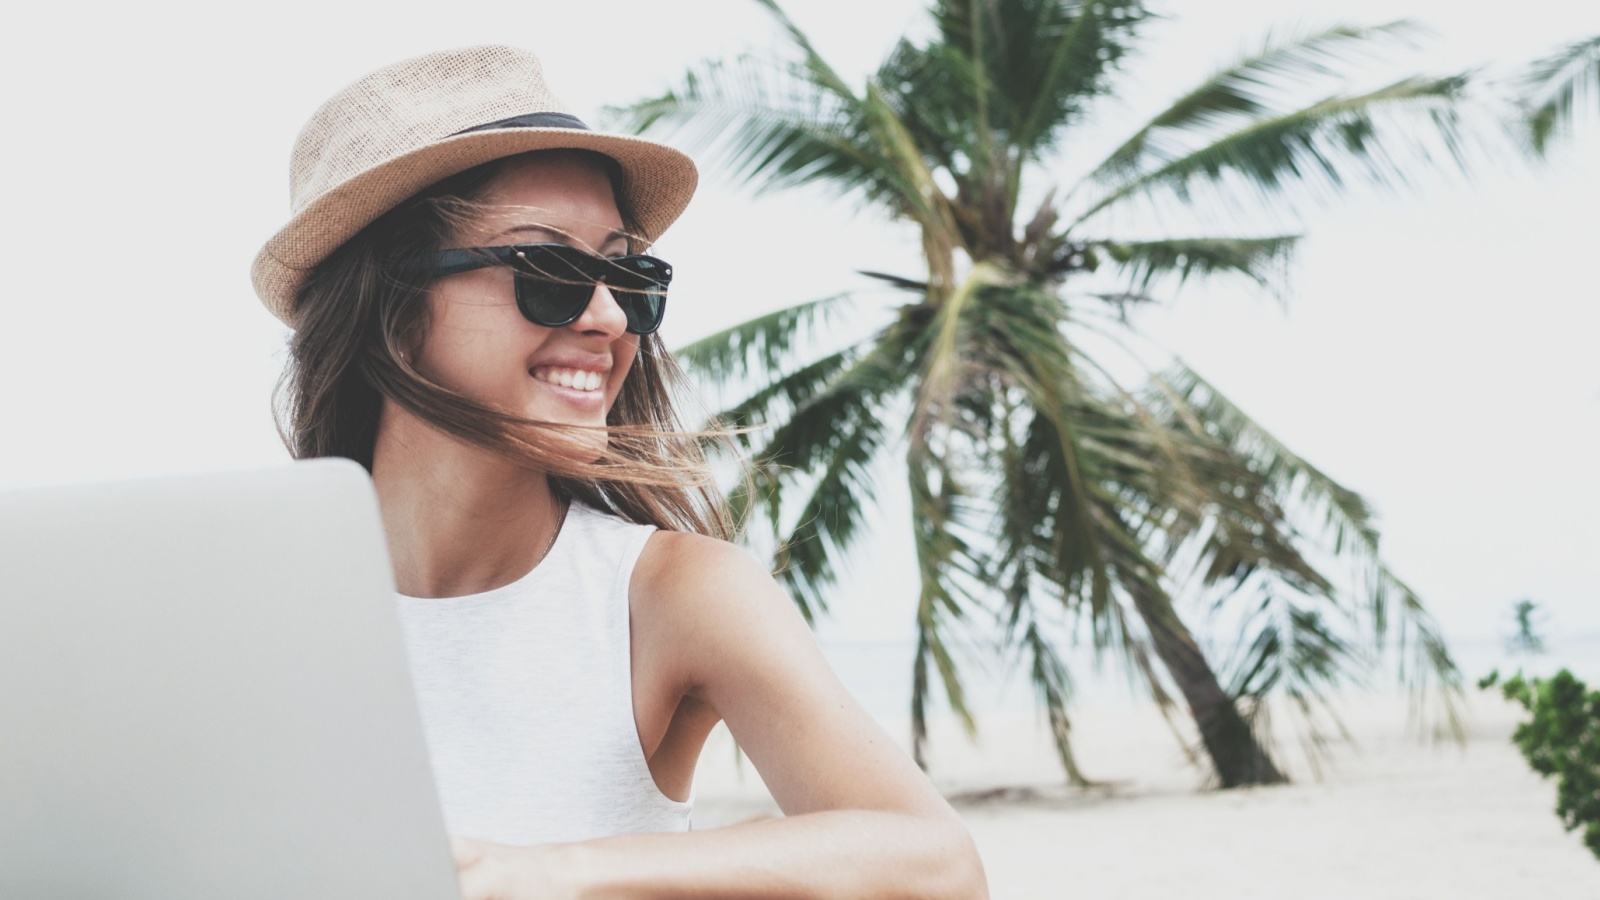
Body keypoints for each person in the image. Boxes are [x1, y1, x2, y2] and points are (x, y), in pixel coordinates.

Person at [253, 45, 987, 899]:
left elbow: (938, 865)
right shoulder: (255, 607)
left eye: (628, 275)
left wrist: (554, 872)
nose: (606, 317)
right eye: (550, 271)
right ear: (388, 310)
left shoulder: (668, 596)